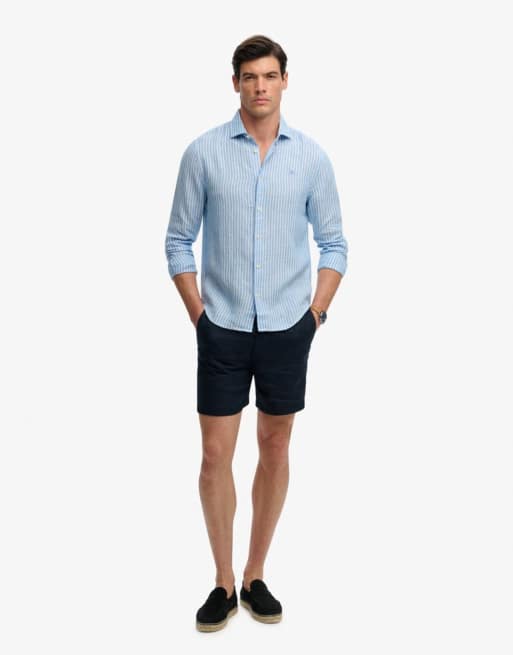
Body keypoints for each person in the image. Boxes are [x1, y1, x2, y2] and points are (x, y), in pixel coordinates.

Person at [164, 34, 348, 632]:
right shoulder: (203, 153)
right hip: (221, 327)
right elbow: (178, 241)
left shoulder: (311, 158)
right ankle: (222, 581)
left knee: (275, 446)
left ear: (285, 81)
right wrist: (199, 315)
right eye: (249, 77)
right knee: (215, 454)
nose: (260, 86)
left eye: (270, 75)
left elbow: (334, 243)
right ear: (235, 83)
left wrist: (314, 315)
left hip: (287, 328)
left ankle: (255, 574)